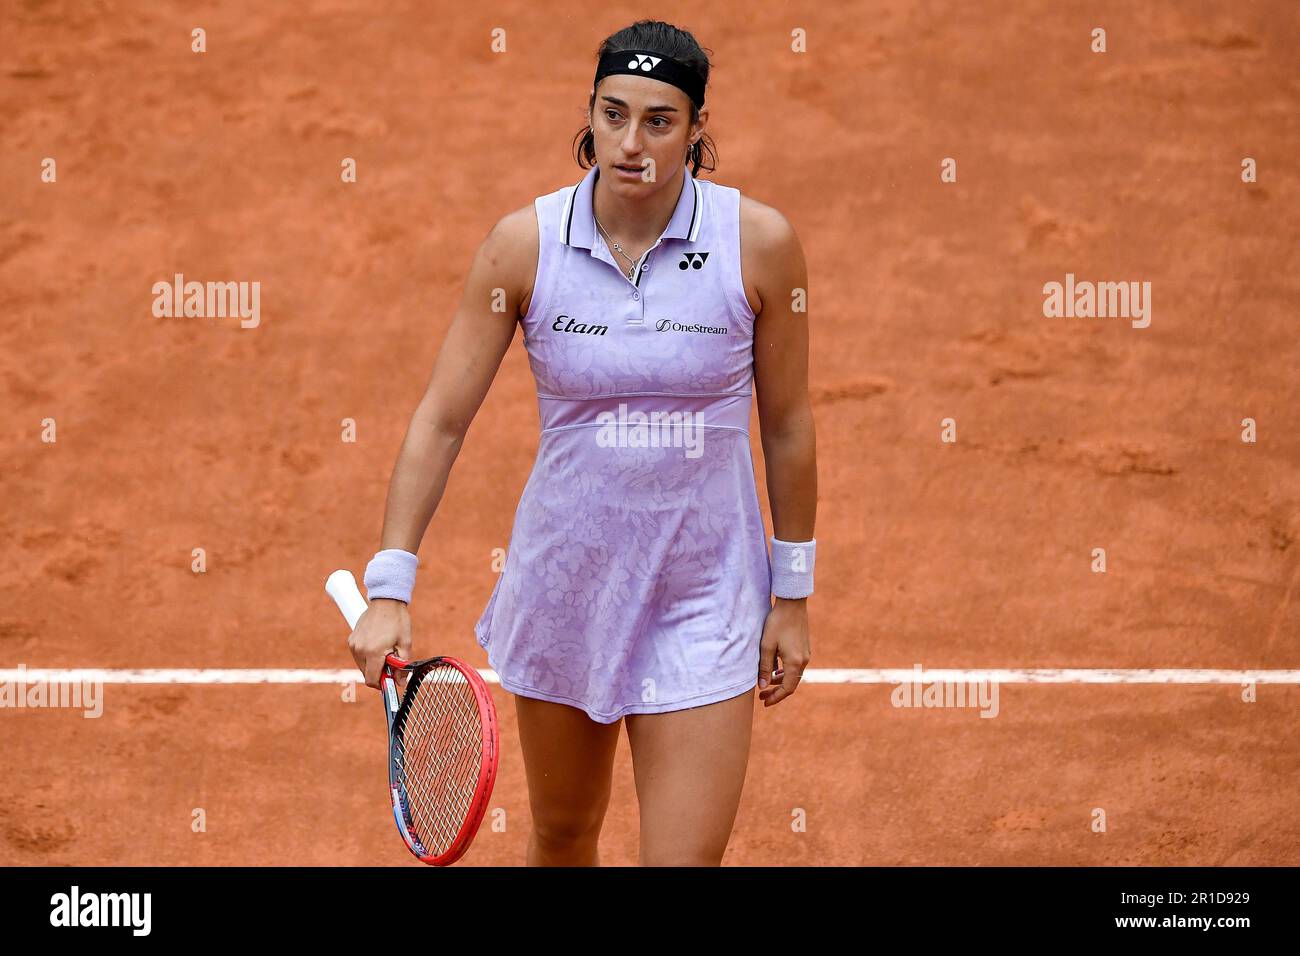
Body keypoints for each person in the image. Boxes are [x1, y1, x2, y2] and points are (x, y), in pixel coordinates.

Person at [348, 18, 818, 867]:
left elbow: (786, 424)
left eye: (659, 121)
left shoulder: (758, 246)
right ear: (590, 113)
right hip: (568, 581)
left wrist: (792, 595)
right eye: (613, 114)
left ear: (697, 130)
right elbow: (441, 420)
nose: (630, 143)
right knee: (563, 838)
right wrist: (391, 583)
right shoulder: (523, 247)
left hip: (704, 590)